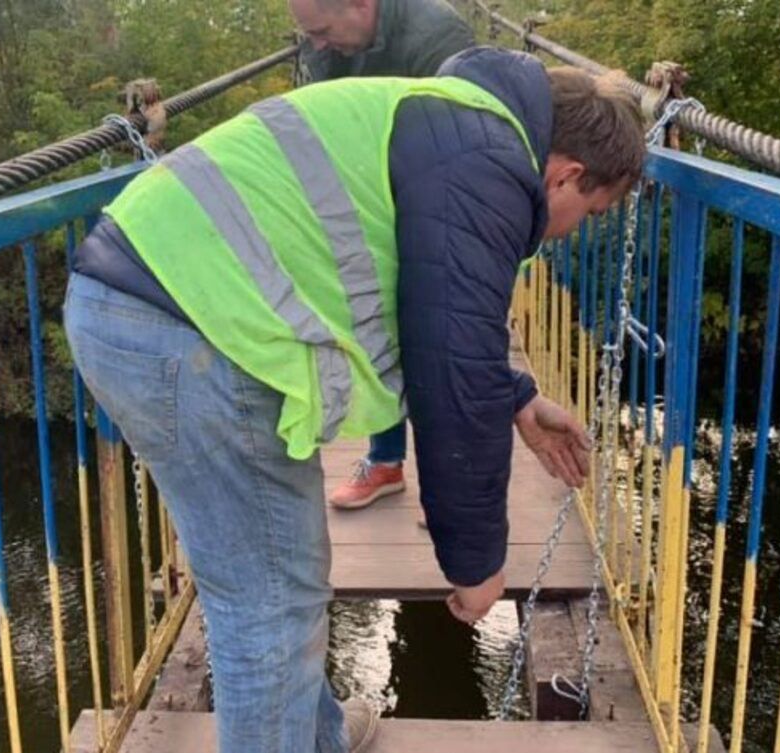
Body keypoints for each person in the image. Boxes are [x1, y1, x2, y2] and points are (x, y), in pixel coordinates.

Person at [66, 47, 645, 753]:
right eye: (588, 211)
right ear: (567, 173)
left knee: (275, 584)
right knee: (270, 606)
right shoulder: (489, 165)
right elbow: (452, 374)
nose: (572, 229)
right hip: (186, 331)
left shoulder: (462, 127)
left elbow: (438, 302)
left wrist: (519, 398)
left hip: (151, 307)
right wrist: (477, 564)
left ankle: (323, 738)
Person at [289, 0, 476, 509]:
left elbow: (460, 138)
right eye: (310, 36)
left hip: (436, 202)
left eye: (323, 31)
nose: (317, 44)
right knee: (372, 328)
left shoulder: (438, 34)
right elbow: (315, 121)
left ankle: (452, 482)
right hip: (363, 203)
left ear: (361, 5)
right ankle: (386, 462)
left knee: (442, 338)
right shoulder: (320, 42)